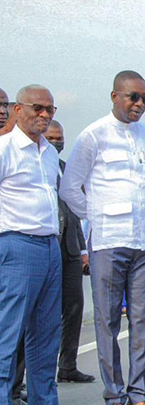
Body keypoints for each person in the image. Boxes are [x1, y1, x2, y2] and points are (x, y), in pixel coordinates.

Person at [60, 70, 145, 405]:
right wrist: (98, 215)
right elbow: (70, 187)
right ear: (115, 96)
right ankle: (114, 393)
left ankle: (138, 392)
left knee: (144, 320)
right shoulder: (93, 135)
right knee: (106, 321)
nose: (140, 104)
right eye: (133, 97)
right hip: (108, 241)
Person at [0, 85, 62, 405]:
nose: (44, 115)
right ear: (18, 109)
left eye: (50, 109)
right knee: (7, 337)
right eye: (37, 108)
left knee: (47, 338)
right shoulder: (5, 149)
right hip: (17, 247)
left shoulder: (49, 153)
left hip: (50, 248)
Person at [41, 120, 95, 385]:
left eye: (59, 138)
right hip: (44, 247)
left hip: (71, 249)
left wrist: (84, 249)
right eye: (50, 138)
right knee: (41, 312)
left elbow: (74, 214)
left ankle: (68, 366)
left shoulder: (64, 169)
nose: (55, 142)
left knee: (74, 308)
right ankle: (30, 375)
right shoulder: (36, 166)